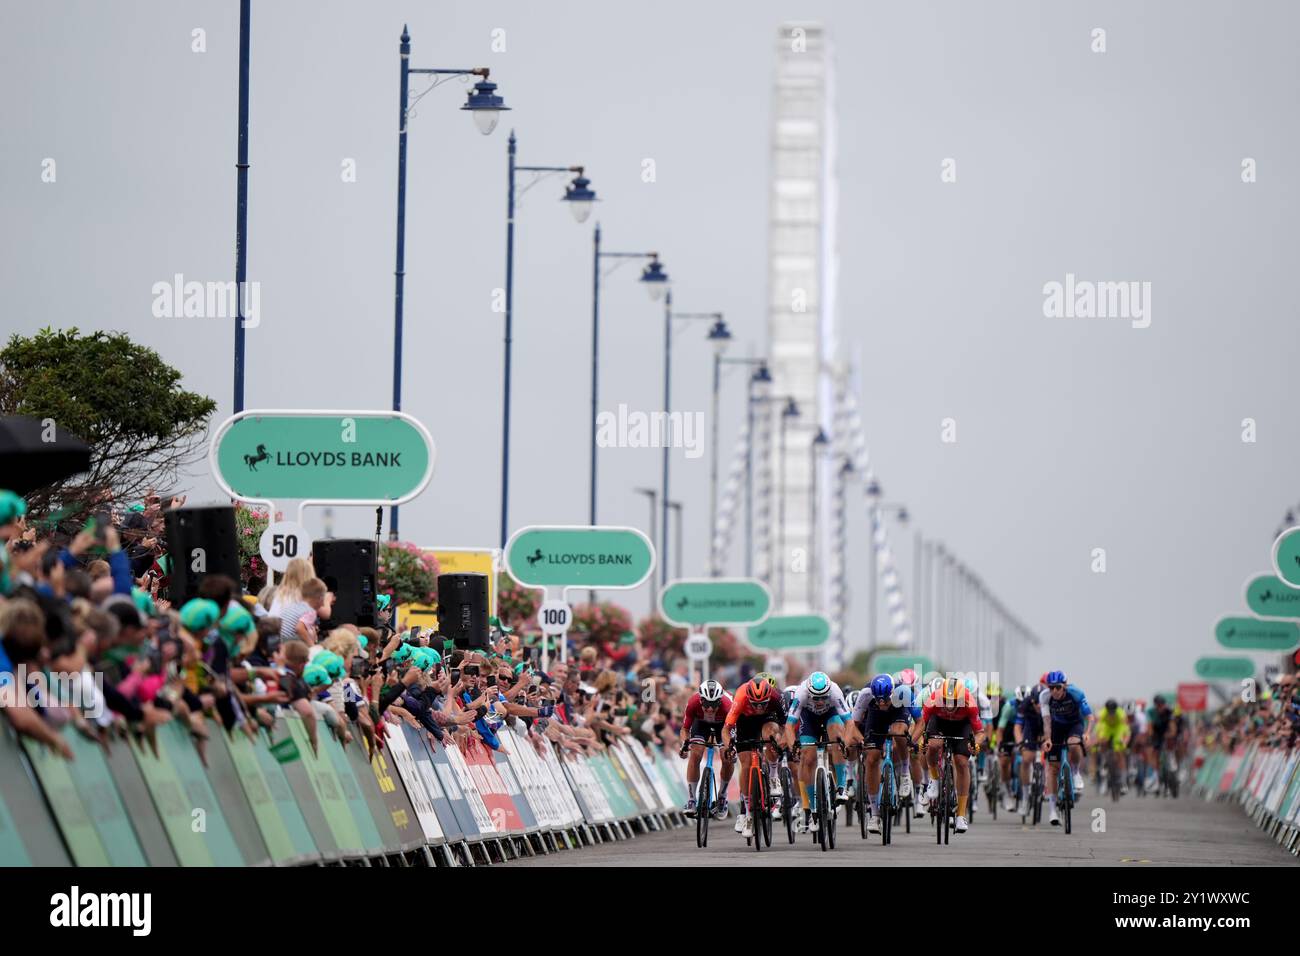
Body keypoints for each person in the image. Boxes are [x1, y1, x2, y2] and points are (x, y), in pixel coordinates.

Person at [783, 670, 851, 833]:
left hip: (830, 716)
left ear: (829, 693)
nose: (820, 701)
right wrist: (794, 747)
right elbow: (789, 726)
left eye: (823, 697)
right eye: (816, 698)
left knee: (837, 735)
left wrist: (845, 744)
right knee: (807, 757)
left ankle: (841, 785)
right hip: (809, 719)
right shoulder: (801, 693)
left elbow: (849, 723)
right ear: (809, 693)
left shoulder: (835, 691)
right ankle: (813, 809)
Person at [722, 674, 787, 839]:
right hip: (746, 720)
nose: (758, 707)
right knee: (746, 763)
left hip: (768, 719)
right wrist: (729, 745)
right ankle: (747, 812)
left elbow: (786, 725)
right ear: (749, 698)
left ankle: (773, 776)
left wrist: (782, 742)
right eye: (755, 704)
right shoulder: (741, 696)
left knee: (770, 736)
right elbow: (726, 730)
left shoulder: (775, 697)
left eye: (762, 704)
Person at [851, 673, 917, 834]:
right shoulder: (866, 694)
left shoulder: (904, 692)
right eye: (878, 699)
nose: (882, 703)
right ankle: (874, 813)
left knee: (899, 734)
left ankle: (904, 774)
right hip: (876, 718)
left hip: (898, 713)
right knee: (871, 758)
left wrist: (912, 741)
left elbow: (921, 722)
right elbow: (852, 725)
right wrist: (861, 741)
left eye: (885, 700)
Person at [918, 676, 985, 833]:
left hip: (962, 726)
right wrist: (922, 741)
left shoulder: (970, 703)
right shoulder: (933, 699)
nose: (949, 705)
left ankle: (961, 815)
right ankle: (934, 778)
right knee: (933, 744)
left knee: (961, 762)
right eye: (946, 701)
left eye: (954, 701)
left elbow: (980, 733)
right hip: (939, 722)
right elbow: (921, 724)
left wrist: (976, 744)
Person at [1039, 670, 1094, 825]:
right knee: (1052, 769)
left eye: (1057, 687)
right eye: (1051, 688)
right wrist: (1048, 738)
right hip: (1056, 727)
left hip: (1074, 725)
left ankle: (1075, 773)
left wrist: (1088, 733)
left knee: (1073, 743)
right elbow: (1047, 721)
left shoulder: (1076, 693)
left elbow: (1090, 717)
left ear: (1065, 685)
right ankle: (1052, 811)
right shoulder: (1044, 697)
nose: (1054, 691)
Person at [678, 679, 735, 818]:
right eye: (707, 704)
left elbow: (731, 732)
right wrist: (685, 744)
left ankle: (722, 796)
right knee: (695, 754)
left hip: (723, 726)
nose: (710, 709)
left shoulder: (729, 705)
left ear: (720, 701)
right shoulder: (693, 702)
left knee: (727, 757)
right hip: (701, 724)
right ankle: (691, 800)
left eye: (714, 704)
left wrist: (731, 749)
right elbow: (685, 729)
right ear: (701, 700)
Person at [1093, 698, 1131, 793]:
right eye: (1109, 711)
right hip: (1107, 728)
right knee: (1103, 741)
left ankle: (1123, 783)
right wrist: (1098, 740)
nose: (1111, 713)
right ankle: (1104, 761)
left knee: (1119, 751)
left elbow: (1126, 729)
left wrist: (1125, 741)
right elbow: (1098, 728)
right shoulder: (1102, 713)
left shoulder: (1121, 714)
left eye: (1113, 711)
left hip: (1118, 728)